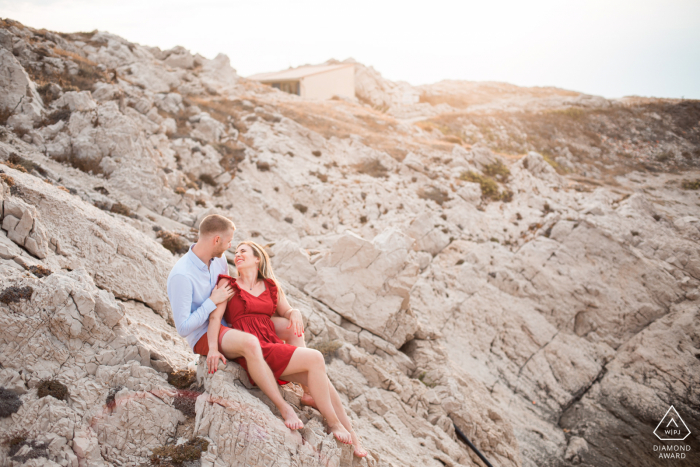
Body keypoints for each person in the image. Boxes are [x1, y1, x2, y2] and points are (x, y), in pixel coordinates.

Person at [207, 240, 367, 457]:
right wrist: (212, 349)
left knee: (322, 380)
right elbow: (215, 317)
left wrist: (294, 312)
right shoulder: (227, 284)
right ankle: (333, 423)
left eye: (243, 251)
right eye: (236, 252)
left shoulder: (271, 286)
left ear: (257, 258)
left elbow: (287, 311)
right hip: (254, 349)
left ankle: (353, 437)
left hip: (272, 344)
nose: (238, 255)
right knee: (316, 358)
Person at [167, 214, 303, 430]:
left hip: (227, 325)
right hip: (202, 334)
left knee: (284, 329)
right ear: (216, 240)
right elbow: (183, 328)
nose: (231, 247)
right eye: (229, 241)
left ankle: (303, 381)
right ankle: (284, 407)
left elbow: (230, 294)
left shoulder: (219, 260)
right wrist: (211, 302)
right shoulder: (182, 275)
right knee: (250, 343)